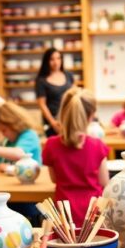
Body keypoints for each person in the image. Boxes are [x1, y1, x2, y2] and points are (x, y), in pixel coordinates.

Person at [42, 87, 109, 227]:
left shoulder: (51, 145)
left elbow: (54, 179)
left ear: (63, 113)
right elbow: (104, 181)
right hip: (93, 217)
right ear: (91, 116)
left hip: (64, 219)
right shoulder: (98, 145)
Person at [0, 102, 41, 171]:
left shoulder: (29, 135)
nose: (3, 134)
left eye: (4, 130)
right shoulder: (7, 141)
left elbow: (19, 154)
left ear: (14, 124)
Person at [35, 48, 74, 137]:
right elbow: (42, 104)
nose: (56, 62)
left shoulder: (68, 75)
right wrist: (53, 122)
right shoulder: (41, 80)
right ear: (47, 61)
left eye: (58, 58)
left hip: (68, 118)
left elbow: (74, 94)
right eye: (52, 59)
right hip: (52, 121)